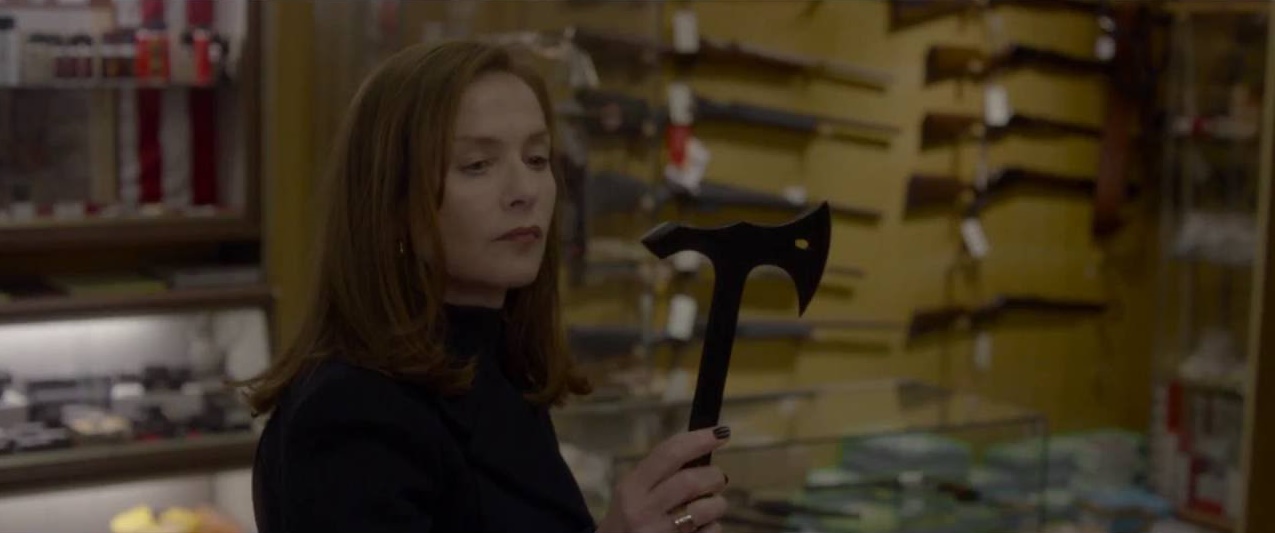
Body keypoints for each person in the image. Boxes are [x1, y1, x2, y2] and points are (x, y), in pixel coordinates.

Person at [243, 41, 731, 533]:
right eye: (478, 164)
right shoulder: (350, 414)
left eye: (537, 159)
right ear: (392, 202)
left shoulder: (499, 372)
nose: (525, 191)